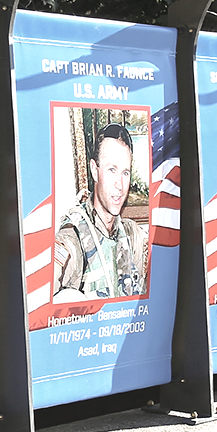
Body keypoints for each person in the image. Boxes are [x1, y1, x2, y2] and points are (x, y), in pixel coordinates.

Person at [53, 122, 148, 300]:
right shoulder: (72, 240)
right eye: (112, 170)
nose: (120, 185)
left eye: (125, 173)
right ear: (94, 171)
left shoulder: (132, 234)